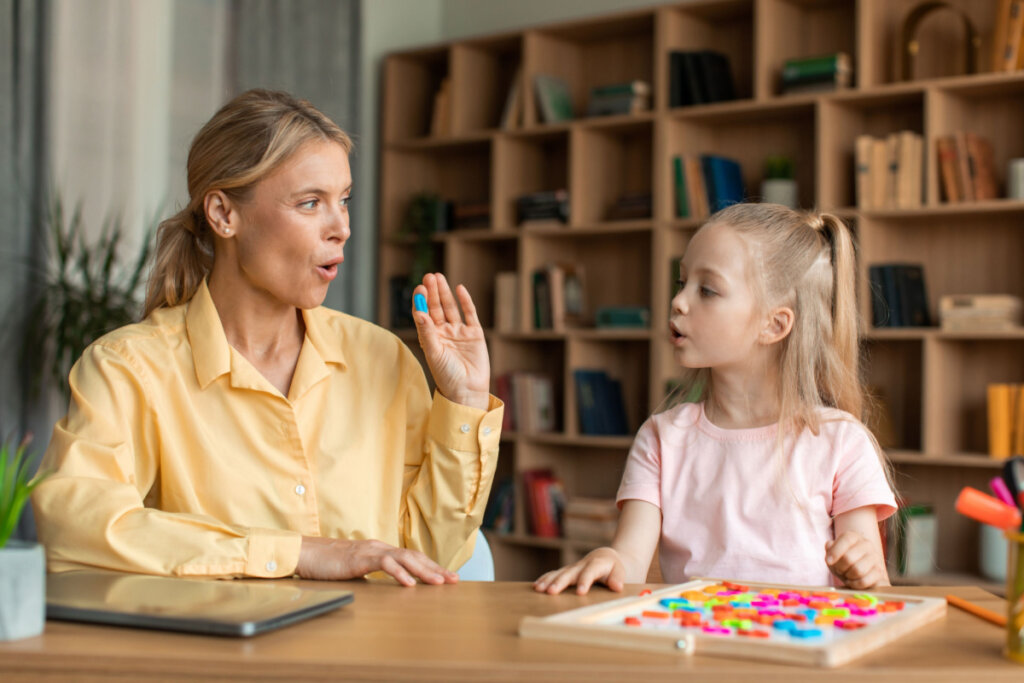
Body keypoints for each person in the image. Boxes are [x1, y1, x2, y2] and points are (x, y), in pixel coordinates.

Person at [32, 89, 503, 587]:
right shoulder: (128, 367)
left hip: (368, 657)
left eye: (343, 200)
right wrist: (294, 554)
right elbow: (72, 527)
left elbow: (432, 558)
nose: (340, 227)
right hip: (224, 663)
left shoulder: (383, 357)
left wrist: (465, 398)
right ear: (223, 214)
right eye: (310, 203)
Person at [534, 202, 897, 595]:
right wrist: (610, 560)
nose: (679, 302)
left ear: (773, 324)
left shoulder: (843, 442)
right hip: (695, 647)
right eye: (682, 282)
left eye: (707, 289)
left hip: (803, 650)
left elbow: (873, 579)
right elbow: (631, 560)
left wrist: (863, 571)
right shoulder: (661, 437)